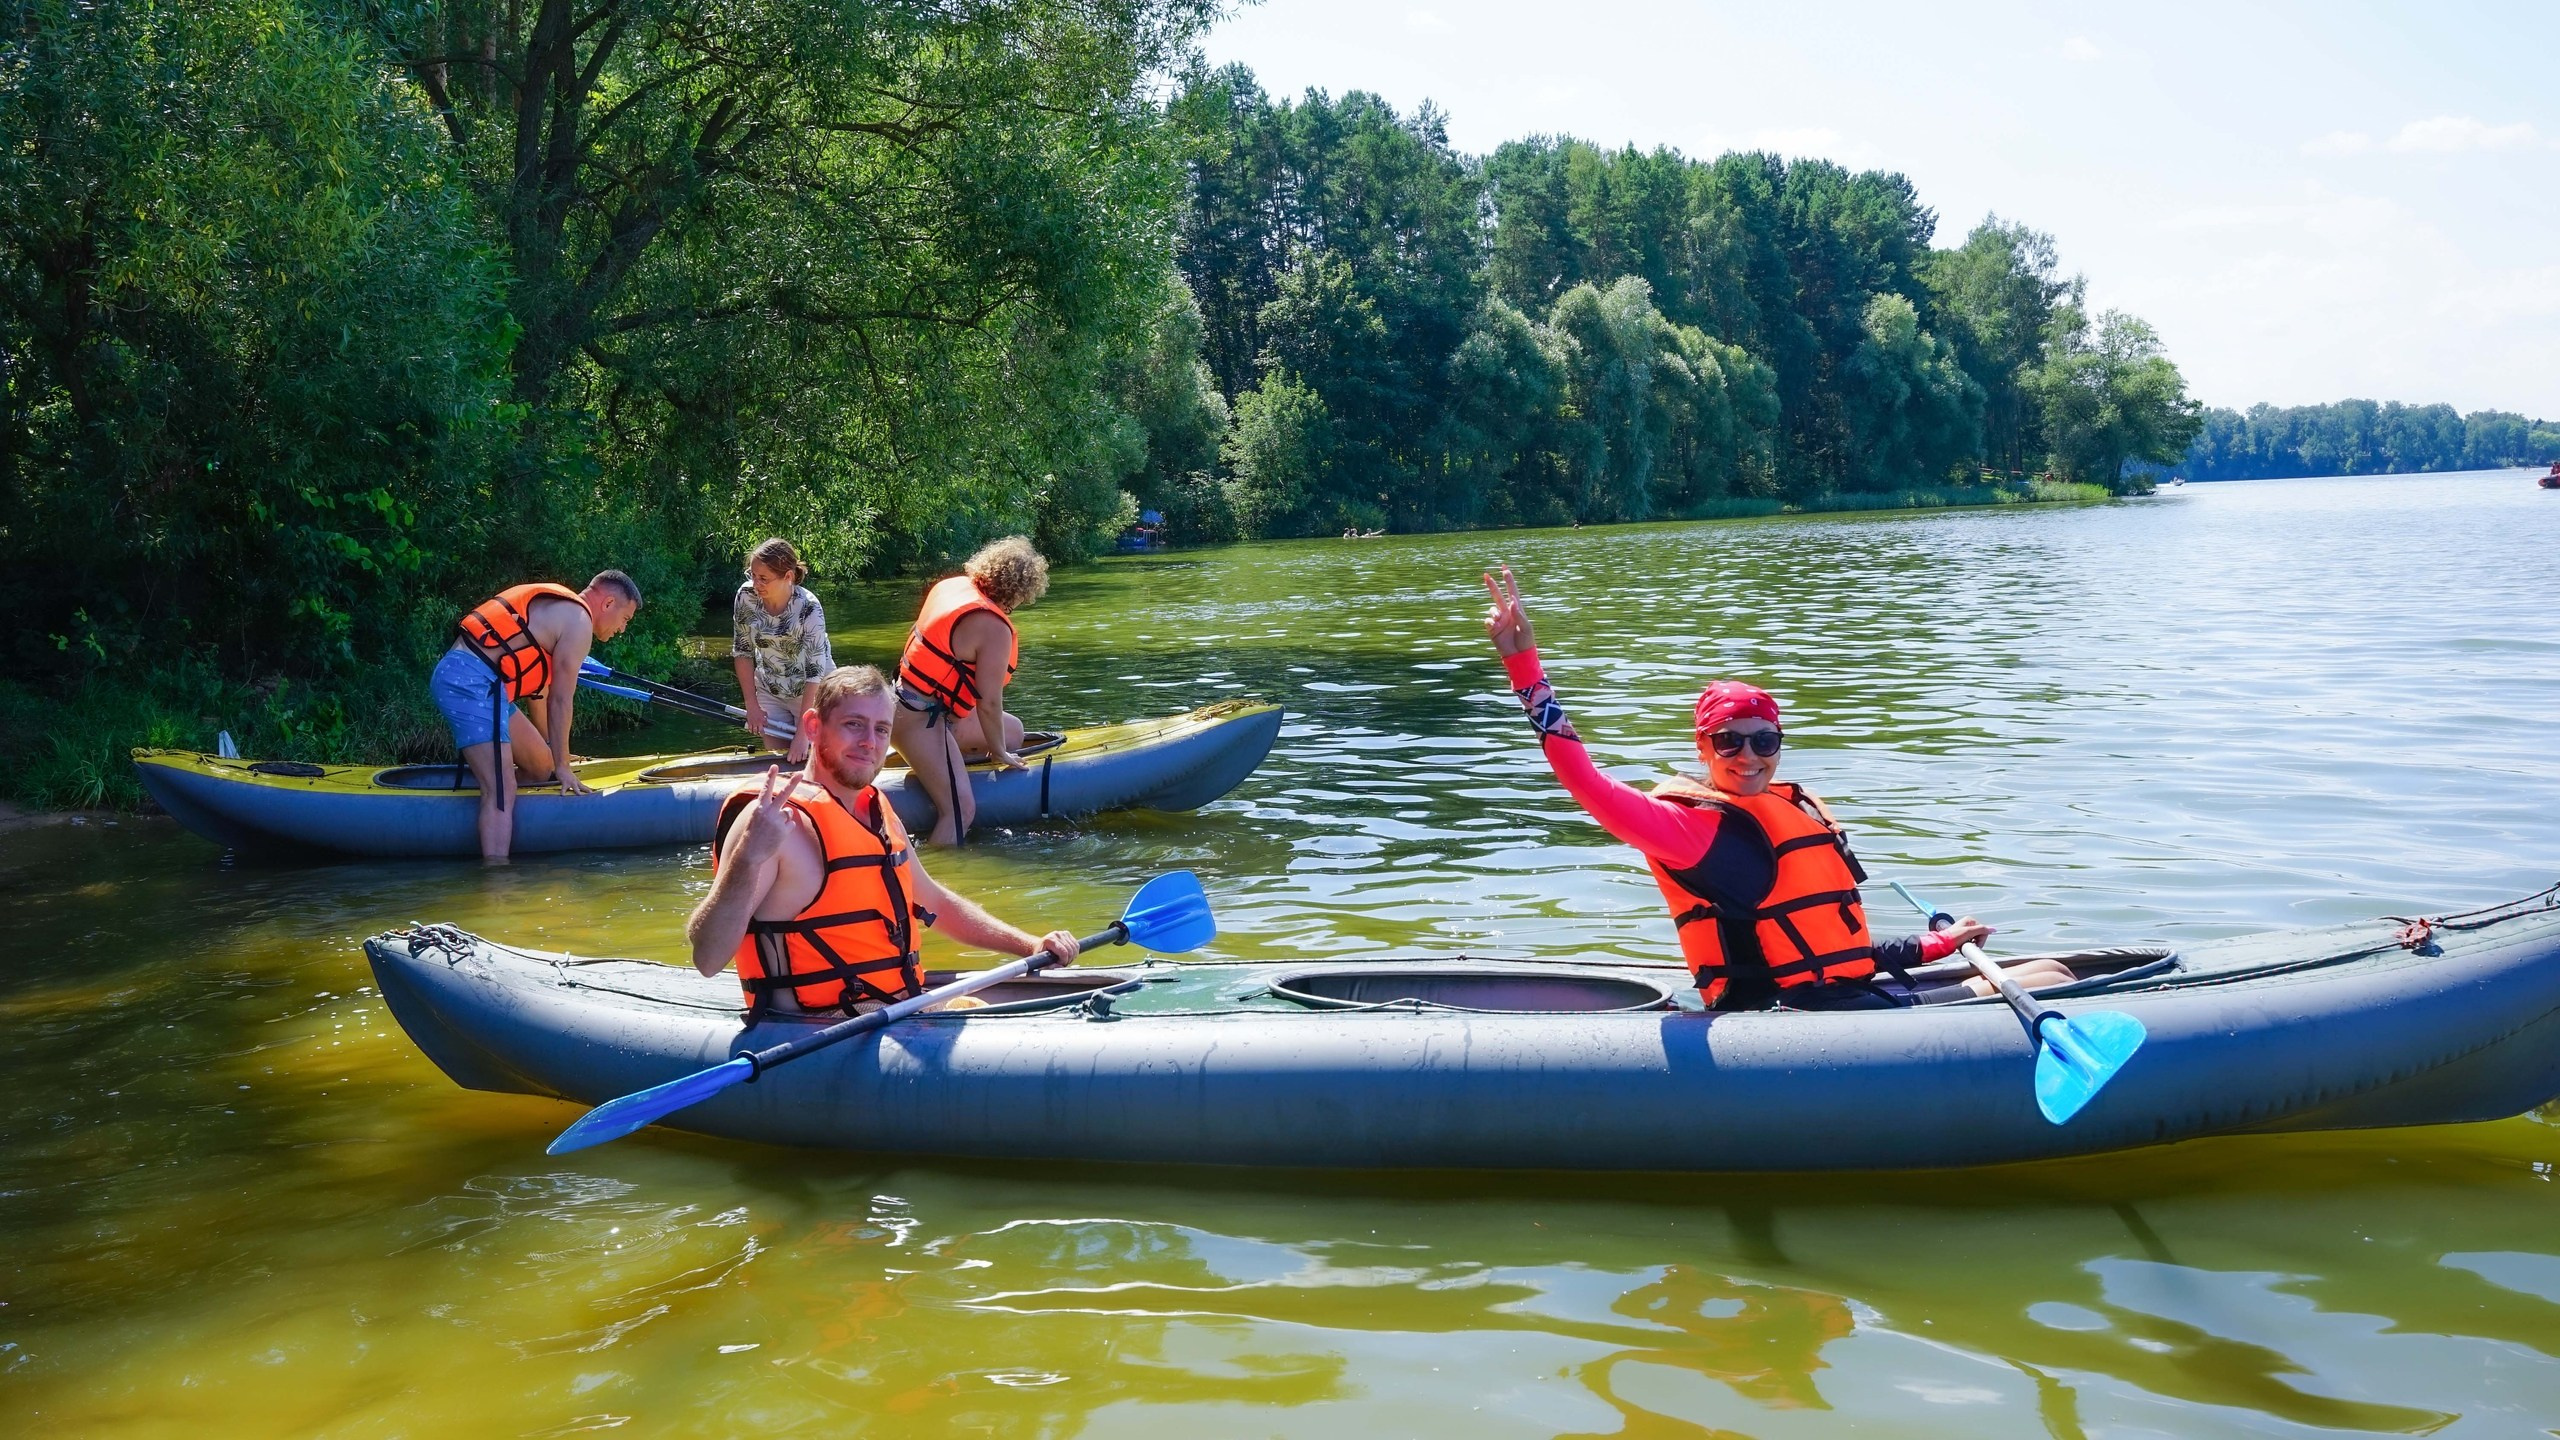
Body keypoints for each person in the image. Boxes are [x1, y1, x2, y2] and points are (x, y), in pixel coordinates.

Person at [1479, 565, 2076, 1011]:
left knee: (2049, 966)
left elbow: (1836, 949)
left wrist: (1936, 944)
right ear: (1702, 748)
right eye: (1728, 742)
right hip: (1786, 1018)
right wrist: (1525, 667)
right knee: (2050, 979)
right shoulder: (1689, 829)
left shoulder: (1790, 808)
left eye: (1764, 741)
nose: (1748, 756)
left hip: (1839, 994)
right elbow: (1585, 783)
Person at [687, 665, 1081, 1017]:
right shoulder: (771, 819)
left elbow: (935, 902)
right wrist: (747, 858)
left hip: (894, 1008)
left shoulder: (875, 810)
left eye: (881, 729)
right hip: (819, 1027)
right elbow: (707, 957)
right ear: (813, 727)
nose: (870, 742)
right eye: (853, 724)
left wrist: (1029, 945)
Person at [431, 571, 642, 861]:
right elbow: (560, 700)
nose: (622, 629)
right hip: (468, 681)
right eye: (625, 619)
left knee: (543, 768)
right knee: (503, 788)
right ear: (607, 603)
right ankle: (497, 880)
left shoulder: (563, 617)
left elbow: (540, 691)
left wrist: (555, 756)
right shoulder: (579, 623)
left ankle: (485, 778)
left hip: (490, 688)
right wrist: (565, 768)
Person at [891, 535, 1049, 845]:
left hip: (909, 703)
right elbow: (988, 702)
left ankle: (948, 769)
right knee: (961, 810)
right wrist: (1000, 753)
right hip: (919, 719)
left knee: (1013, 731)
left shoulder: (950, 587)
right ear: (1022, 590)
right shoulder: (994, 627)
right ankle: (934, 877)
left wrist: (1003, 742)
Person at [730, 538, 834, 766]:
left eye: (764, 578)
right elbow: (742, 651)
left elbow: (815, 672)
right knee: (778, 761)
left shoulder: (809, 608)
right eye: (752, 575)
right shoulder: (745, 597)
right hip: (769, 688)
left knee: (812, 760)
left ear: (788, 576)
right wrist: (751, 704)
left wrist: (803, 733)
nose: (756, 584)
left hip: (811, 693)